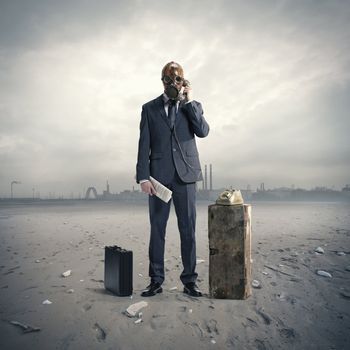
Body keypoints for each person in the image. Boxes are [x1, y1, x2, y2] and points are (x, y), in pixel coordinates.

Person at [136, 61, 209, 297]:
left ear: (183, 82)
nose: (172, 83)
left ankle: (190, 281)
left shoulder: (192, 107)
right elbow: (143, 144)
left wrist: (188, 101)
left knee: (188, 230)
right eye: (168, 79)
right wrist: (142, 177)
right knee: (157, 229)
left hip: (186, 176)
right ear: (162, 81)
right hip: (158, 178)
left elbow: (203, 131)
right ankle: (156, 280)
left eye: (177, 79)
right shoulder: (149, 108)